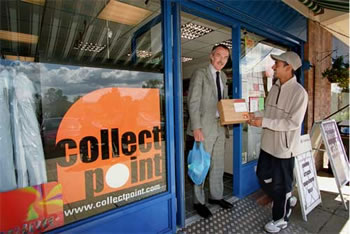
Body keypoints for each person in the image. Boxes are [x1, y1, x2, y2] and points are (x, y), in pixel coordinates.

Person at [248, 51, 308, 233]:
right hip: (267, 145)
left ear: (289, 67)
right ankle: (286, 198)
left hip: (284, 149)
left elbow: (293, 123)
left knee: (281, 186)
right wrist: (255, 116)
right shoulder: (274, 87)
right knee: (262, 175)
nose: (273, 67)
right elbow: (268, 112)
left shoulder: (300, 93)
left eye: (278, 64)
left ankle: (280, 219)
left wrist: (264, 122)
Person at [187, 44, 233, 219]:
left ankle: (216, 196)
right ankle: (198, 202)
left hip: (220, 126)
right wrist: (196, 128)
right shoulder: (201, 74)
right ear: (211, 56)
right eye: (219, 55)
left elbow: (224, 102)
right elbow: (193, 102)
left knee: (218, 164)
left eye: (225, 57)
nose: (222, 60)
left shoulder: (223, 76)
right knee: (201, 165)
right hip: (204, 127)